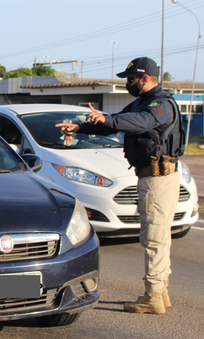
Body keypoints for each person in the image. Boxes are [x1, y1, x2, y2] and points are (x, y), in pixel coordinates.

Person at [56, 56, 184, 315]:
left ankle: (153, 296)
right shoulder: (142, 102)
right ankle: (161, 292)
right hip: (151, 177)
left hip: (159, 179)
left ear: (145, 78)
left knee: (154, 238)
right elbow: (114, 122)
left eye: (131, 79)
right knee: (158, 236)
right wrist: (79, 128)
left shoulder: (160, 104)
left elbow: (139, 122)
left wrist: (107, 120)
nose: (128, 83)